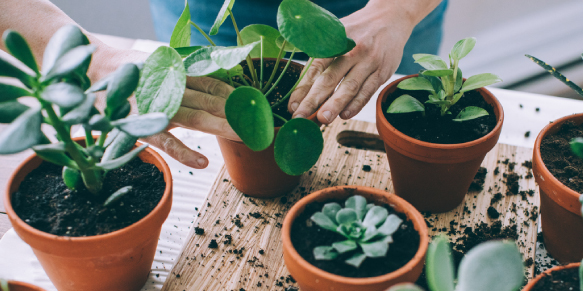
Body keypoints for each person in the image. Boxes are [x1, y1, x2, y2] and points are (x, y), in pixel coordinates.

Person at [0, 0, 446, 169]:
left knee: (393, 111)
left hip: (368, 19)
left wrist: (399, 10)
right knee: (214, 86)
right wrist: (95, 62)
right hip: (210, 13)